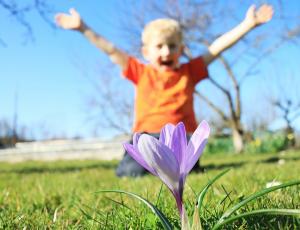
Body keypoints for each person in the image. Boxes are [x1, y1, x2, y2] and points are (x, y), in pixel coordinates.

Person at [55, 4, 273, 177]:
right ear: (146, 52)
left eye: (173, 46)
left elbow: (216, 48)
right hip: (146, 137)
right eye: (159, 46)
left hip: (182, 138)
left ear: (181, 49)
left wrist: (248, 24)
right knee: (131, 173)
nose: (167, 51)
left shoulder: (190, 71)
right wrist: (83, 28)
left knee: (182, 173)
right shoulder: (140, 72)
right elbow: (111, 50)